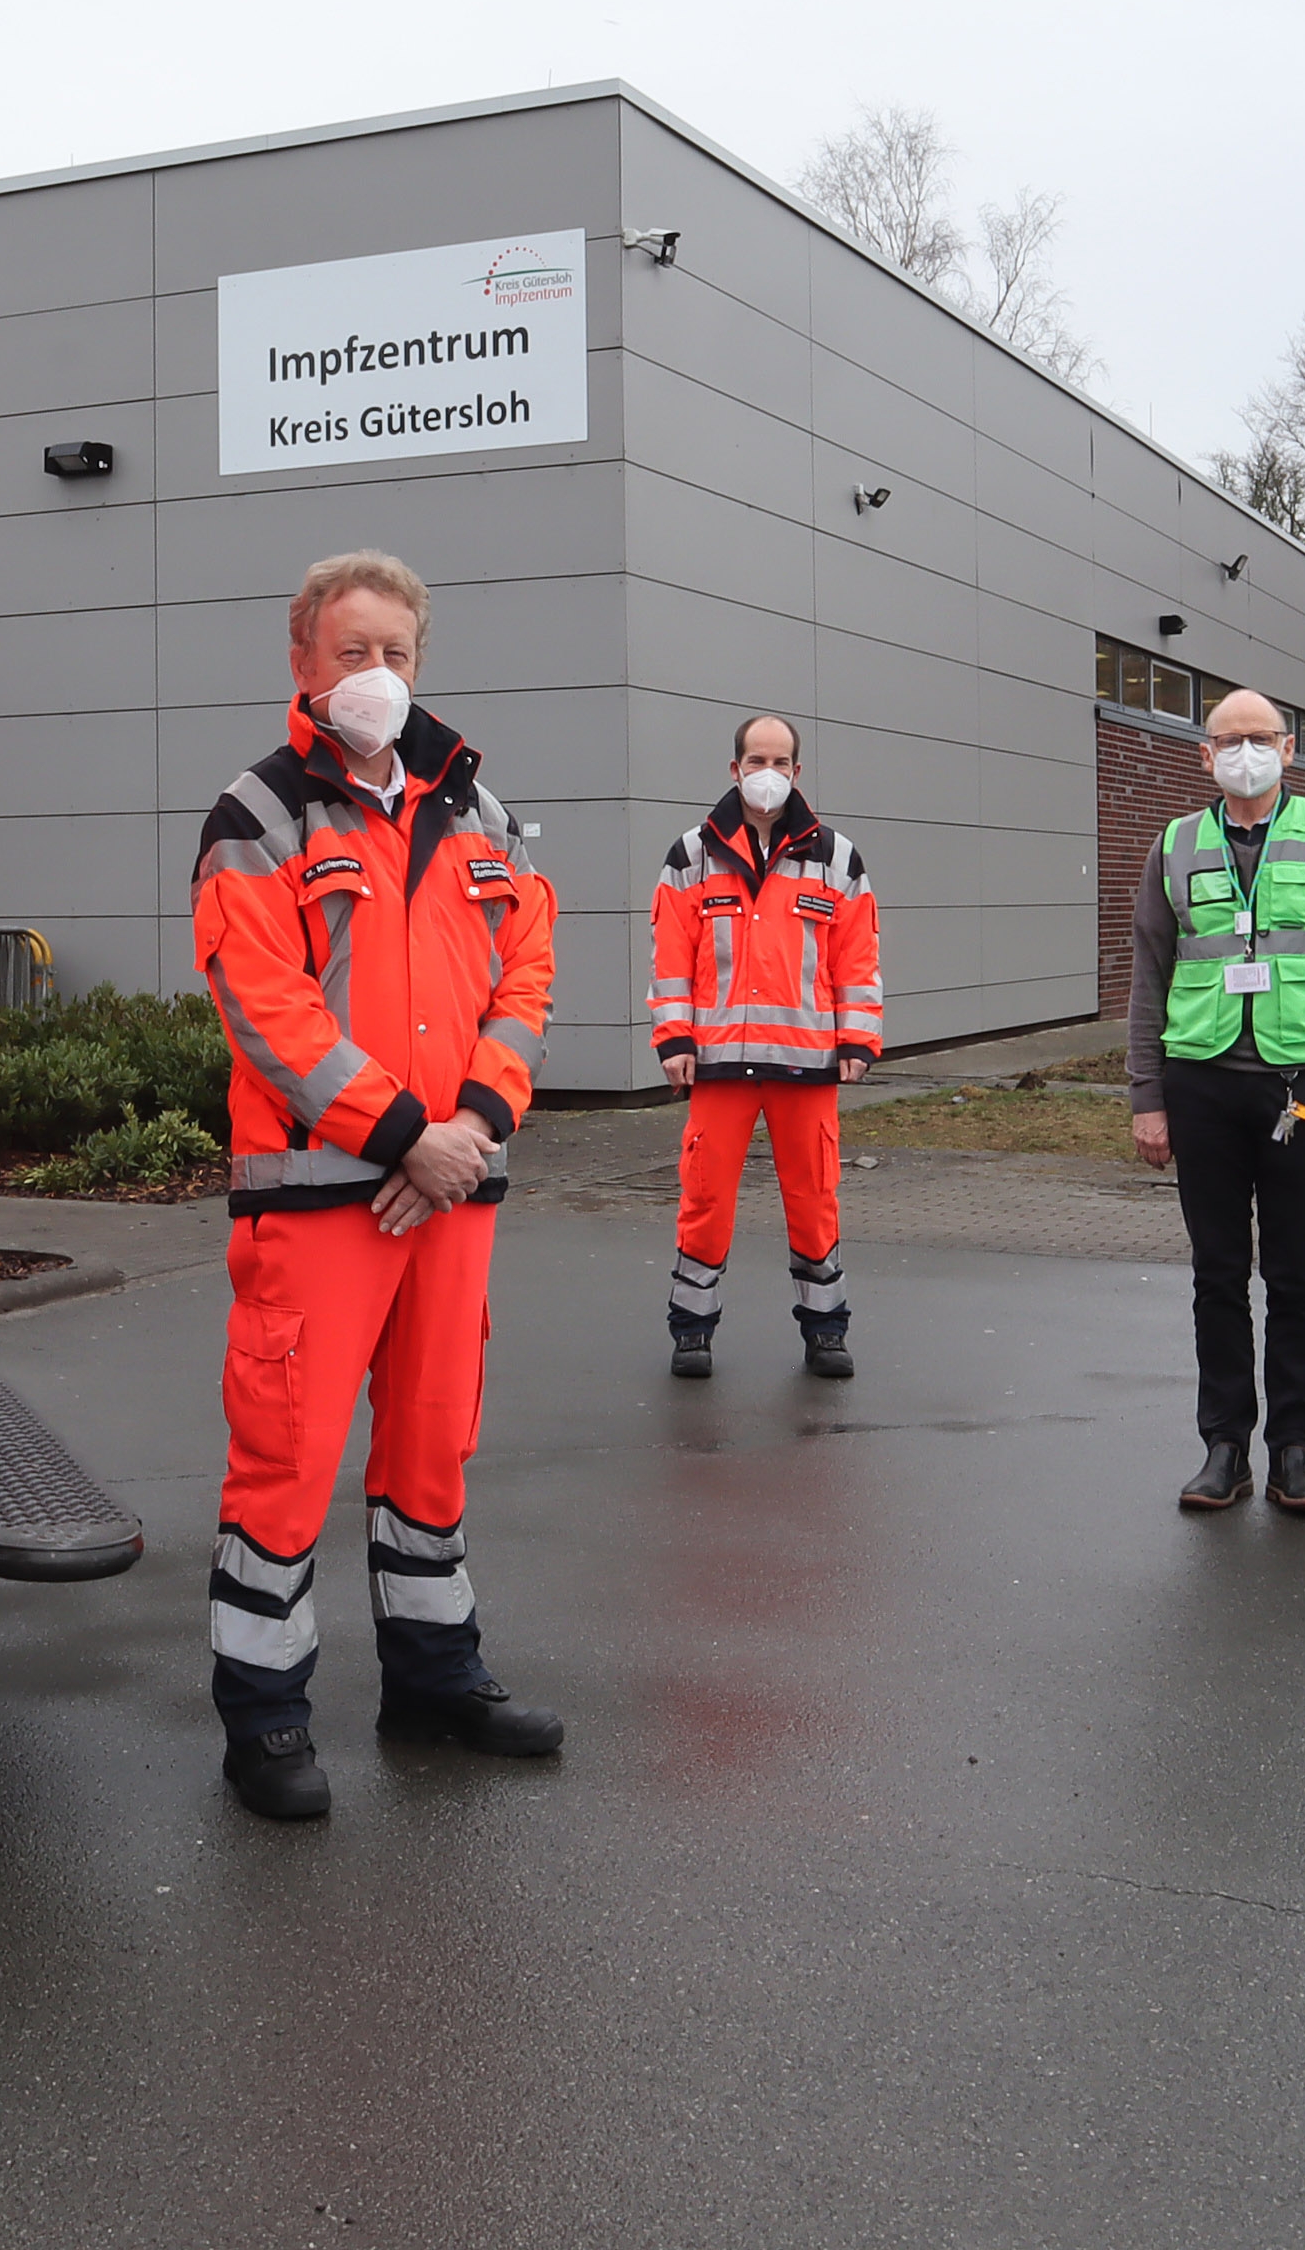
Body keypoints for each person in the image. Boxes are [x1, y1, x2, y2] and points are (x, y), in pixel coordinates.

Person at [191, 550, 564, 1820]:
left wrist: (473, 1125)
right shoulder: (258, 816)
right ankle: (265, 1716)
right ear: (304, 661)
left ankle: (435, 1679)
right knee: (288, 1455)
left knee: (432, 1445)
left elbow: (526, 979)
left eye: (395, 652)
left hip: (449, 1190)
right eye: (352, 651)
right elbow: (269, 1012)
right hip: (321, 1198)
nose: (376, 674)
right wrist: (410, 1134)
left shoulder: (483, 816)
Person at [1127, 688, 1305, 1517]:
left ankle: (1295, 1450)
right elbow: (1148, 977)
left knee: (1298, 1272)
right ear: (1204, 756)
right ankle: (1224, 1446)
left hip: (1302, 1089)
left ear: (1289, 747)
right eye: (1229, 740)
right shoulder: (1174, 844)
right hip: (1200, 1085)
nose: (1246, 752)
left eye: (1260, 737)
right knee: (1217, 1274)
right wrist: (1146, 1096)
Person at [650, 713, 882, 1379]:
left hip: (806, 1065)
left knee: (814, 1199)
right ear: (735, 769)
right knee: (705, 1198)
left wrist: (857, 1040)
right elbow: (671, 958)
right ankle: (692, 1330)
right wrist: (673, 1038)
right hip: (719, 1063)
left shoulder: (837, 859)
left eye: (781, 762)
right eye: (757, 760)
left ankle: (826, 1330)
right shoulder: (691, 856)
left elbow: (857, 958)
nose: (768, 773)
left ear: (797, 772)